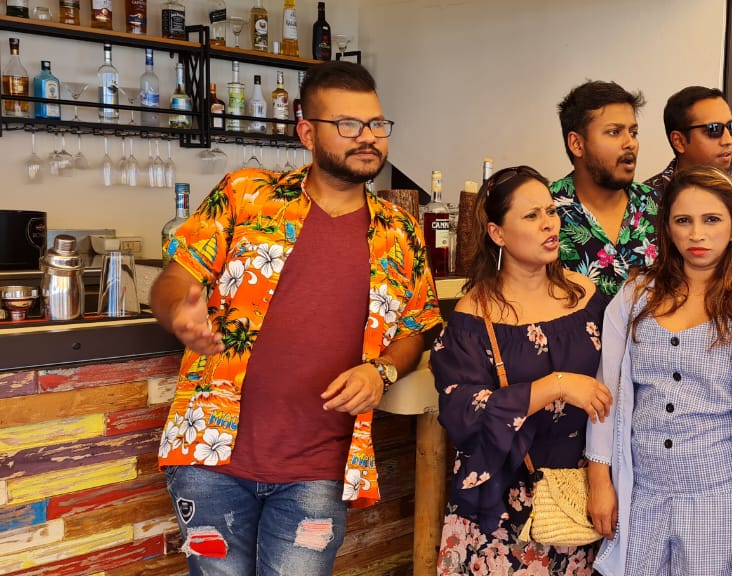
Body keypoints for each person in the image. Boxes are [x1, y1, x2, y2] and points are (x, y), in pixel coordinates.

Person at [152, 61, 440, 574]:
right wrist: (180, 311)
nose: (368, 137)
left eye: (377, 124)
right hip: (209, 453)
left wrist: (382, 371)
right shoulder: (246, 195)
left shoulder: (400, 231)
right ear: (307, 133)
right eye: (348, 124)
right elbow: (174, 278)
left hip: (319, 468)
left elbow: (416, 328)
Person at [586, 166, 732, 576]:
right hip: (642, 496)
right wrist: (600, 480)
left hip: (718, 499)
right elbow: (607, 394)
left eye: (711, 220)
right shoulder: (635, 298)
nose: (697, 234)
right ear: (667, 228)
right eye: (683, 221)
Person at [431, 165, 613, 575]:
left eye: (551, 211)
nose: (549, 224)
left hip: (585, 494)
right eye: (531, 215)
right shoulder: (474, 316)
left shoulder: (586, 296)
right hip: (505, 508)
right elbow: (463, 413)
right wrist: (556, 385)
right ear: (497, 233)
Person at [643, 86, 732, 262]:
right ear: (679, 141)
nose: (728, 140)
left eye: (731, 128)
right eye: (714, 130)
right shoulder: (645, 200)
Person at [551, 81, 655, 297]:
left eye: (633, 132)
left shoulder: (657, 204)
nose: (630, 143)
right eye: (614, 132)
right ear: (577, 144)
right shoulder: (546, 212)